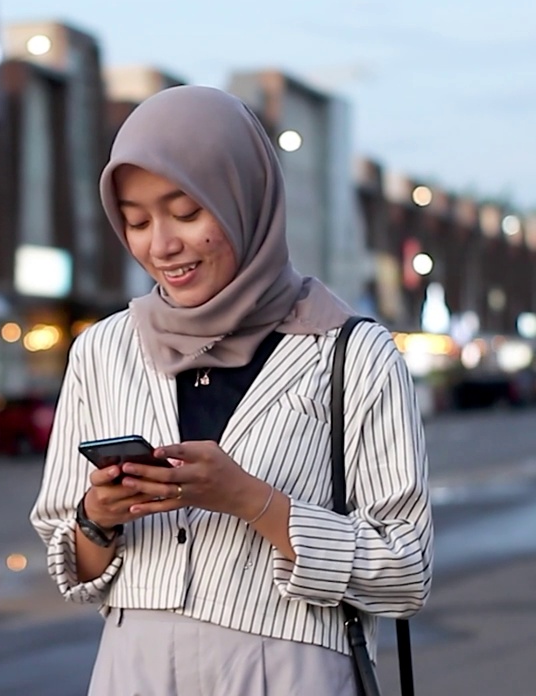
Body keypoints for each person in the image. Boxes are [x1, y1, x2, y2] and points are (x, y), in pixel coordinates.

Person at [30, 85, 433, 695]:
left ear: (245, 199)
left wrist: (252, 501)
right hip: (134, 673)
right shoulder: (103, 351)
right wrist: (97, 520)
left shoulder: (351, 352)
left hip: (290, 675)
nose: (161, 245)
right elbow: (71, 564)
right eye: (136, 222)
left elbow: (405, 571)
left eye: (187, 212)